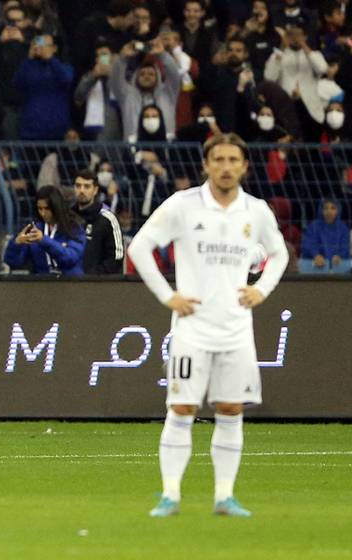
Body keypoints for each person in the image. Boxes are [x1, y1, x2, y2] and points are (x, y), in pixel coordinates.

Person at [127, 133, 289, 518]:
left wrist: (261, 289)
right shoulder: (182, 206)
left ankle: (224, 497)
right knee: (181, 409)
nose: (226, 167)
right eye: (219, 159)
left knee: (231, 410)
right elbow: (139, 247)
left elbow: (280, 253)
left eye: (233, 160)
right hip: (192, 330)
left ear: (244, 166)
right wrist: (168, 296)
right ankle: (170, 496)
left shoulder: (256, 211)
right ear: (206, 164)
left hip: (236, 331)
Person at [110, 38, 182, 142]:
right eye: (142, 74)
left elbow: (174, 75)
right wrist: (122, 58)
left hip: (166, 147)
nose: (146, 76)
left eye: (151, 74)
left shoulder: (168, 94)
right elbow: (115, 79)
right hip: (134, 148)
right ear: (136, 77)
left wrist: (162, 55)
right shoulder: (127, 95)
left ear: (158, 77)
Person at [4, 185, 85, 276]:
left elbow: (70, 258)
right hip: (42, 282)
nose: (43, 213)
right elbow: (13, 262)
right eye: (40, 208)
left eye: (47, 209)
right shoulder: (34, 230)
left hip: (70, 282)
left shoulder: (74, 228)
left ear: (56, 207)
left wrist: (44, 240)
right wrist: (16, 244)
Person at [12, 33, 73, 140]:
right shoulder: (29, 66)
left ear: (54, 48)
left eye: (45, 45)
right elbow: (17, 84)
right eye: (39, 44)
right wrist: (29, 58)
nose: (41, 48)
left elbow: (67, 80)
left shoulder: (64, 66)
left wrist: (51, 59)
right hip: (30, 129)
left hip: (57, 130)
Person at [72, 170, 122, 274]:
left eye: (86, 186)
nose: (81, 190)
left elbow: (116, 257)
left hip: (97, 281)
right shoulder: (68, 216)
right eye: (78, 186)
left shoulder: (107, 218)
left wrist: (94, 276)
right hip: (69, 280)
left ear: (95, 190)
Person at [301, 198, 350, 269]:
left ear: (338, 210)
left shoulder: (343, 228)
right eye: (325, 208)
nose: (329, 211)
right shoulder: (313, 226)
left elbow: (345, 246)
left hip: (338, 266)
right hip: (315, 266)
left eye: (333, 208)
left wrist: (340, 256)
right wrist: (316, 255)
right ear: (321, 210)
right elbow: (308, 245)